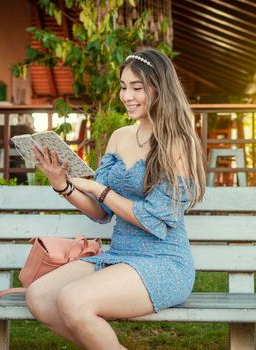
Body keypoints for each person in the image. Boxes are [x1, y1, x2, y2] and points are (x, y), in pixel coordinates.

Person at [26, 47, 206, 350]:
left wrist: (100, 189)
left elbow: (155, 221)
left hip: (163, 262)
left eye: (137, 87)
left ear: (160, 89)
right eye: (123, 87)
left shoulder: (177, 144)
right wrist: (62, 184)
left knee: (72, 300)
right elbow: (100, 213)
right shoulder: (120, 136)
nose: (127, 96)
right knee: (39, 296)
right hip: (118, 256)